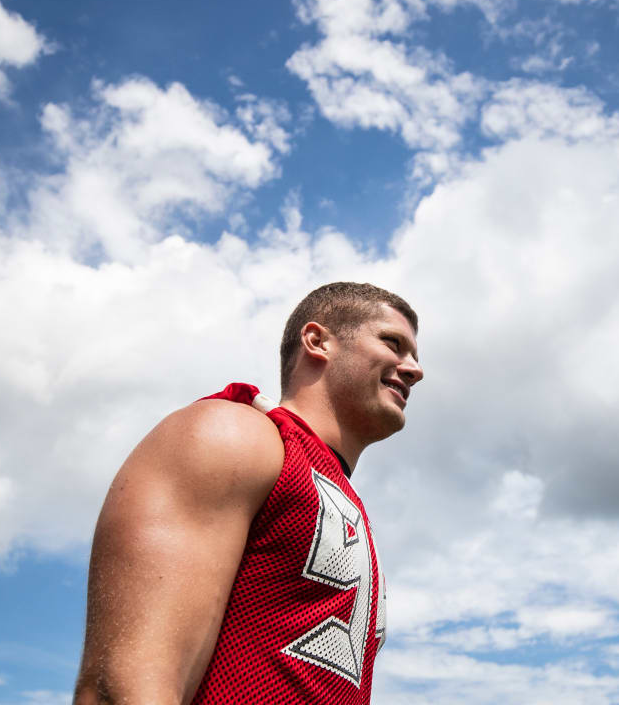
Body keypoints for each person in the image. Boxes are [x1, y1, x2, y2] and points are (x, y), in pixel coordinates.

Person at [74, 282, 424, 704]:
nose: (414, 369)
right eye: (393, 343)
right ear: (317, 341)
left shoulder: (345, 506)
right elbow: (122, 686)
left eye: (415, 356)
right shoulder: (235, 434)